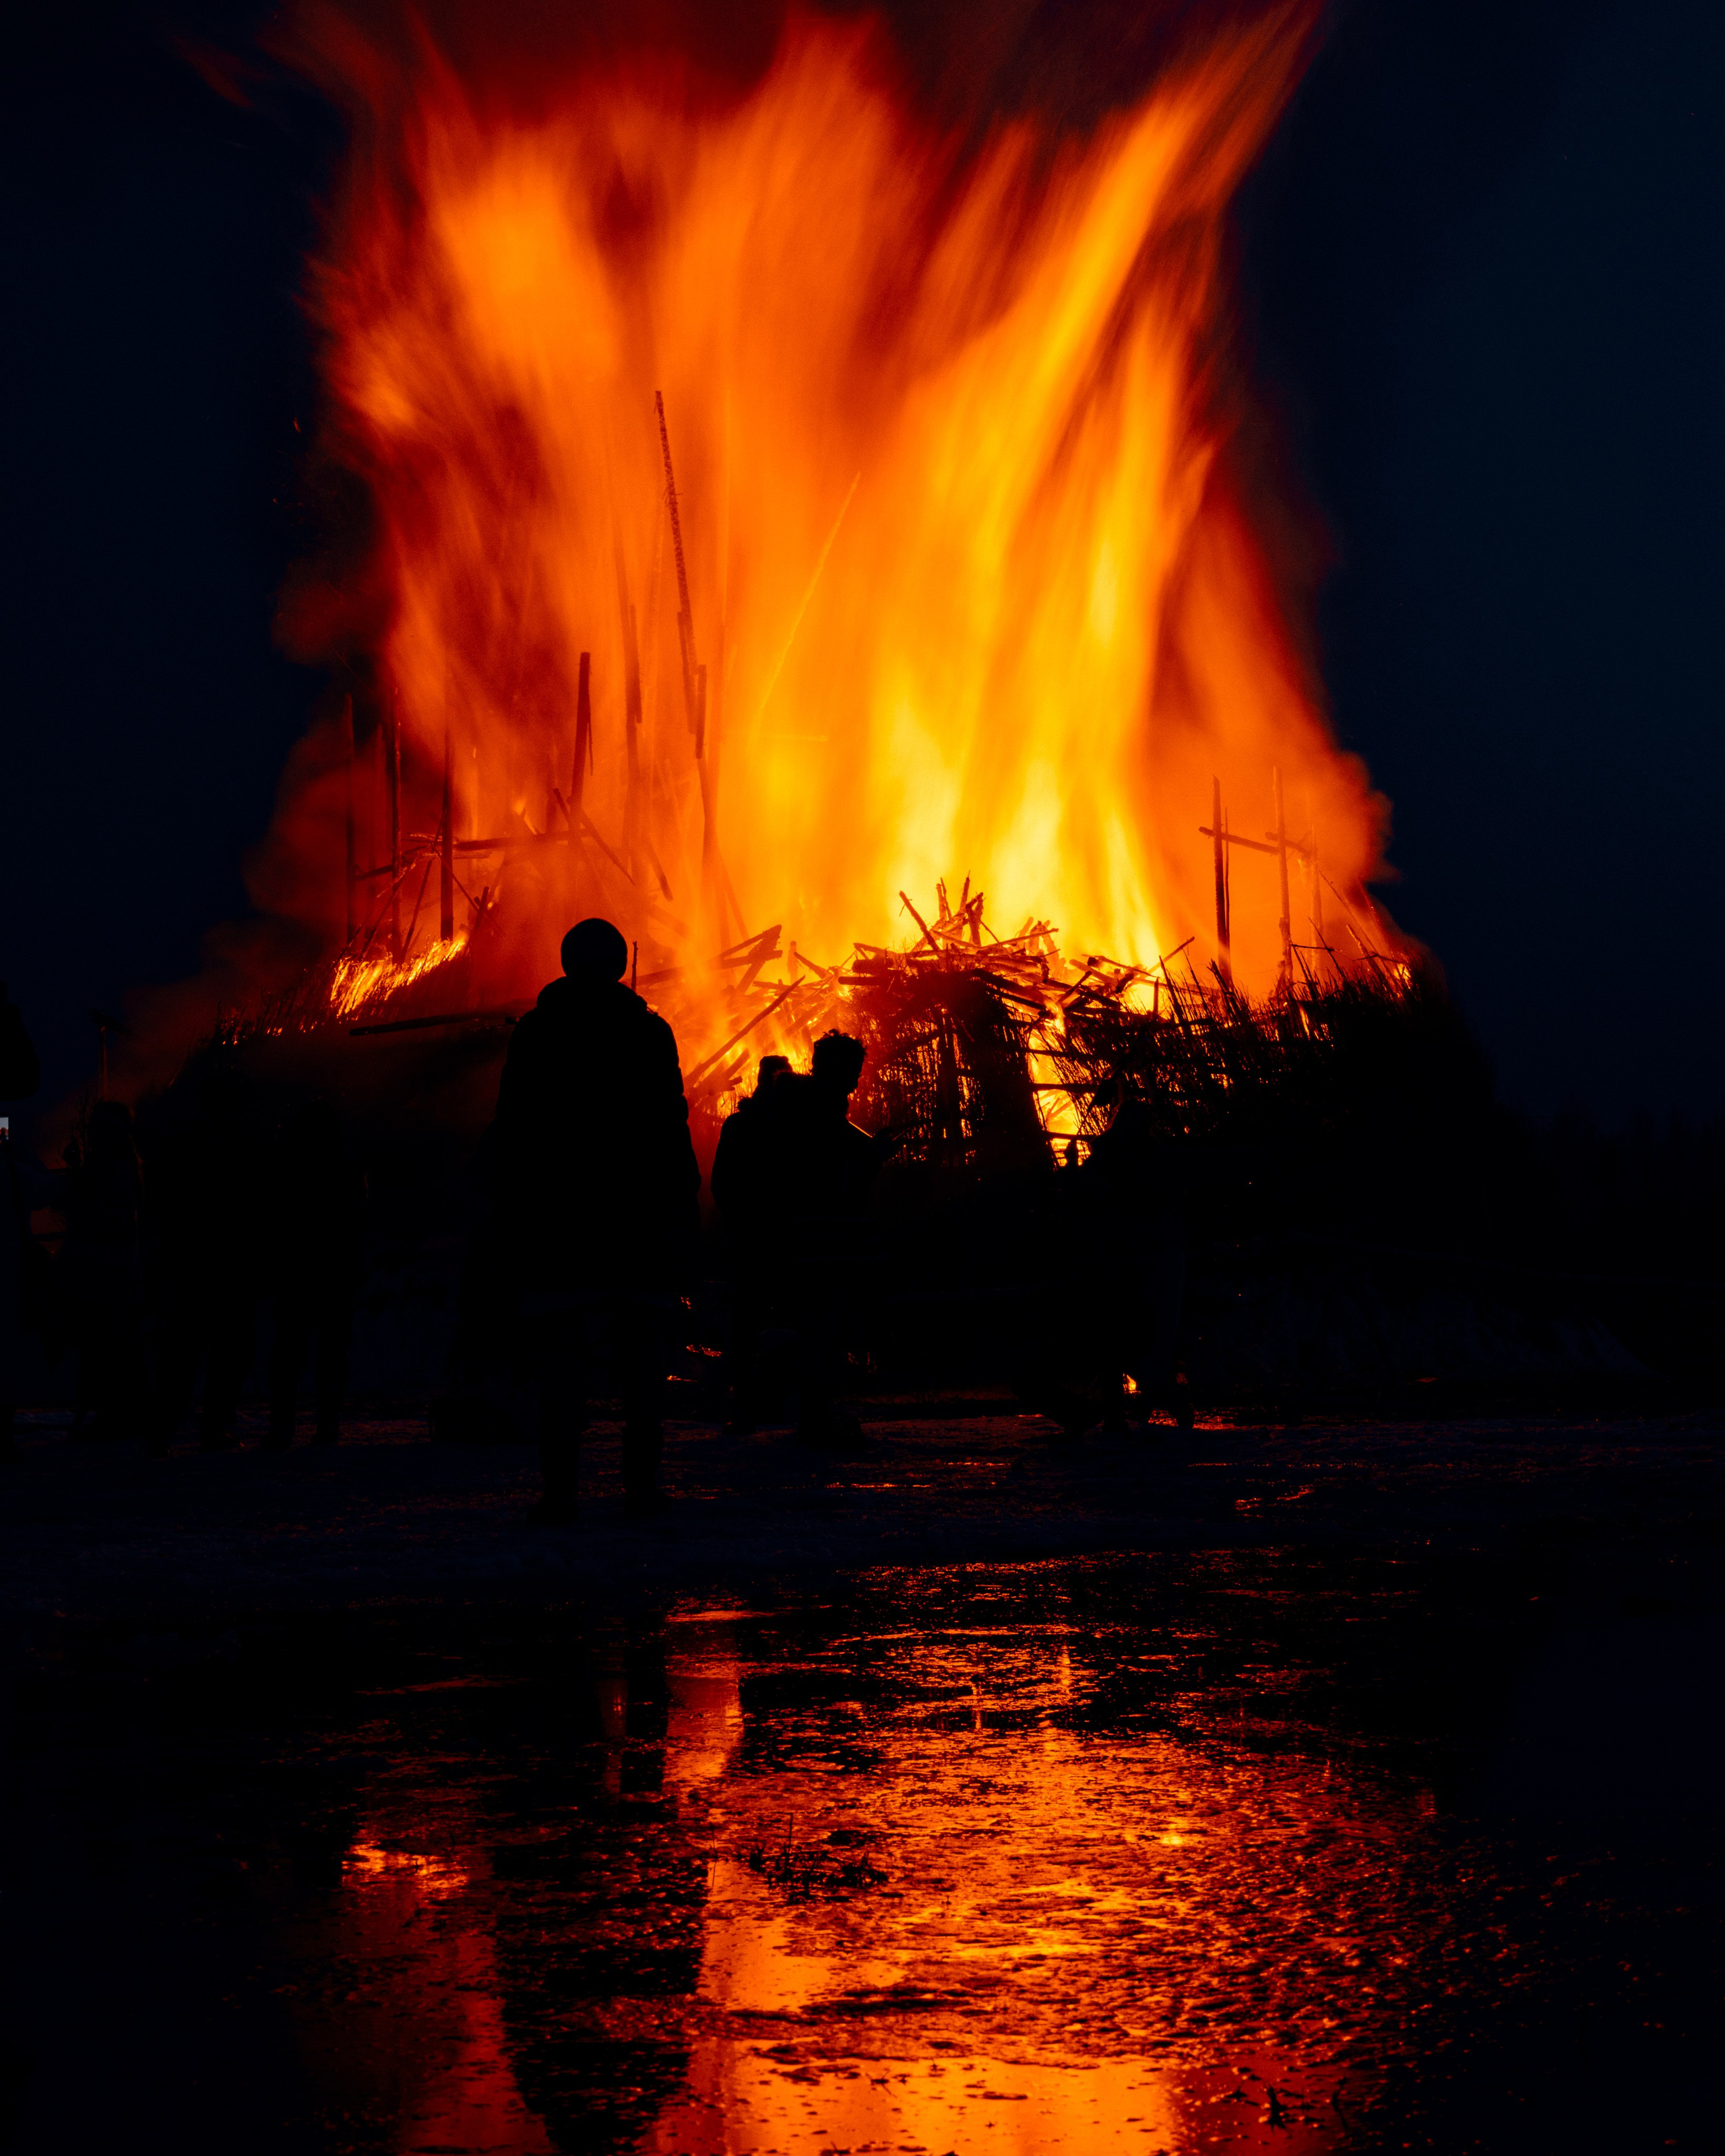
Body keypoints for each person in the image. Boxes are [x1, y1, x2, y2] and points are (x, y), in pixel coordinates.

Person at [492, 917, 699, 1521]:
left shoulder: (536, 1033)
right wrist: (681, 1205)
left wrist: (513, 1205)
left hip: (562, 1222)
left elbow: (516, 1126)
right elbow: (670, 1122)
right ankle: (640, 1489)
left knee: (560, 1366)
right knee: (642, 1368)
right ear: (616, 967)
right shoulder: (649, 1033)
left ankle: (560, 1494)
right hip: (637, 1221)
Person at [150, 1066, 261, 1453]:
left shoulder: (181, 1144)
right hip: (220, 1262)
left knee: (186, 1348)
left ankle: (166, 1430)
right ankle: (208, 1426)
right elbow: (251, 1205)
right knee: (221, 1347)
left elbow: (163, 1203)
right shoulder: (237, 1145)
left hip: (194, 1262)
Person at [265, 1100, 365, 1449]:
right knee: (330, 1353)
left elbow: (276, 1218)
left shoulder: (288, 1164)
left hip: (300, 1271)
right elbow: (357, 1218)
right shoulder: (347, 1163)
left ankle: (284, 1428)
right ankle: (327, 1427)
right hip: (333, 1271)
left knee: (290, 1353)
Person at [710, 1054, 791, 1432]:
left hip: (756, 1238)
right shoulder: (789, 1128)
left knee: (750, 1323)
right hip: (773, 1238)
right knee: (773, 1322)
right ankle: (765, 1404)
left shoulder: (742, 1125)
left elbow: (721, 1184)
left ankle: (751, 1406)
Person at [61, 1100, 148, 1440]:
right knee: (118, 1343)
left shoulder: (109, 1168)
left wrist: (77, 1181)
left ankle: (113, 1417)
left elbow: (103, 1216)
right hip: (119, 1270)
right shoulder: (126, 1166)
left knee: (107, 1344)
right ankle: (122, 1413)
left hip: (105, 1271)